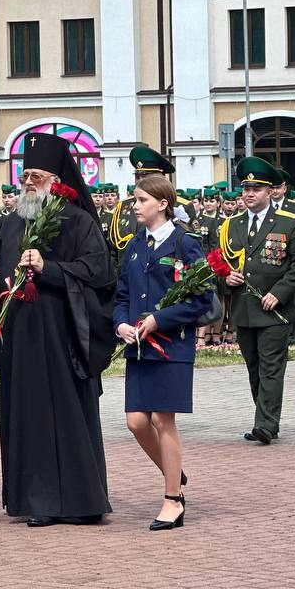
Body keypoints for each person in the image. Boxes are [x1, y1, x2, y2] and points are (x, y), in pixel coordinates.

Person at [0, 132, 115, 526]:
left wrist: (50, 270)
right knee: (26, 416)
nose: (28, 181)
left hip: (62, 333)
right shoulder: (10, 224)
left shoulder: (79, 221)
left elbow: (98, 273)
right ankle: (35, 499)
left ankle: (80, 502)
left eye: (36, 175)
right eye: (25, 174)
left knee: (64, 414)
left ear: (56, 179)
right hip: (19, 335)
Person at [114, 175, 211, 531]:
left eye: (141, 200)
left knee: (161, 420)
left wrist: (159, 319)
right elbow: (123, 294)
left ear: (162, 204)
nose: (135, 206)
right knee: (136, 421)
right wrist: (120, 324)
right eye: (135, 200)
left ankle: (173, 499)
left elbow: (202, 299)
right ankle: (174, 471)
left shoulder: (186, 243)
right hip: (138, 344)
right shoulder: (136, 243)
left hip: (172, 344)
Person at [218, 158, 295, 444]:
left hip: (275, 311)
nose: (249, 194)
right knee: (254, 368)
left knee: (271, 368)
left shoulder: (290, 222)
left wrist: (279, 292)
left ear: (270, 192)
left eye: (256, 188)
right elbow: (220, 262)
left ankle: (266, 424)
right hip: (244, 309)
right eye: (246, 188)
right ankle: (265, 417)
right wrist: (225, 279)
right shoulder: (231, 225)